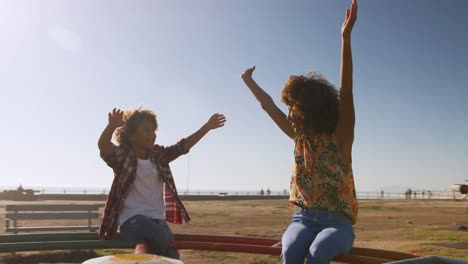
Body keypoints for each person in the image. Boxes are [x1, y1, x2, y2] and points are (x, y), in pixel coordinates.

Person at [241, 1, 358, 262]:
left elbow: (346, 94)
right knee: (292, 250)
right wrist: (249, 82)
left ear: (311, 112)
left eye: (295, 111)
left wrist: (345, 39)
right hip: (303, 217)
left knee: (319, 251)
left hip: (337, 224)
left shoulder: (340, 139)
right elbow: (268, 106)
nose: (290, 116)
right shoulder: (299, 138)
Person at [98, 107, 226, 258]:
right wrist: (111, 127)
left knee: (172, 257)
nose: (152, 135)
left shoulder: (158, 155)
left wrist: (206, 127)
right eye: (146, 130)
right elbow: (104, 147)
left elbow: (182, 147)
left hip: (158, 221)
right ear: (131, 135)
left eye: (153, 131)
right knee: (159, 238)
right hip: (133, 220)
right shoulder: (123, 157)